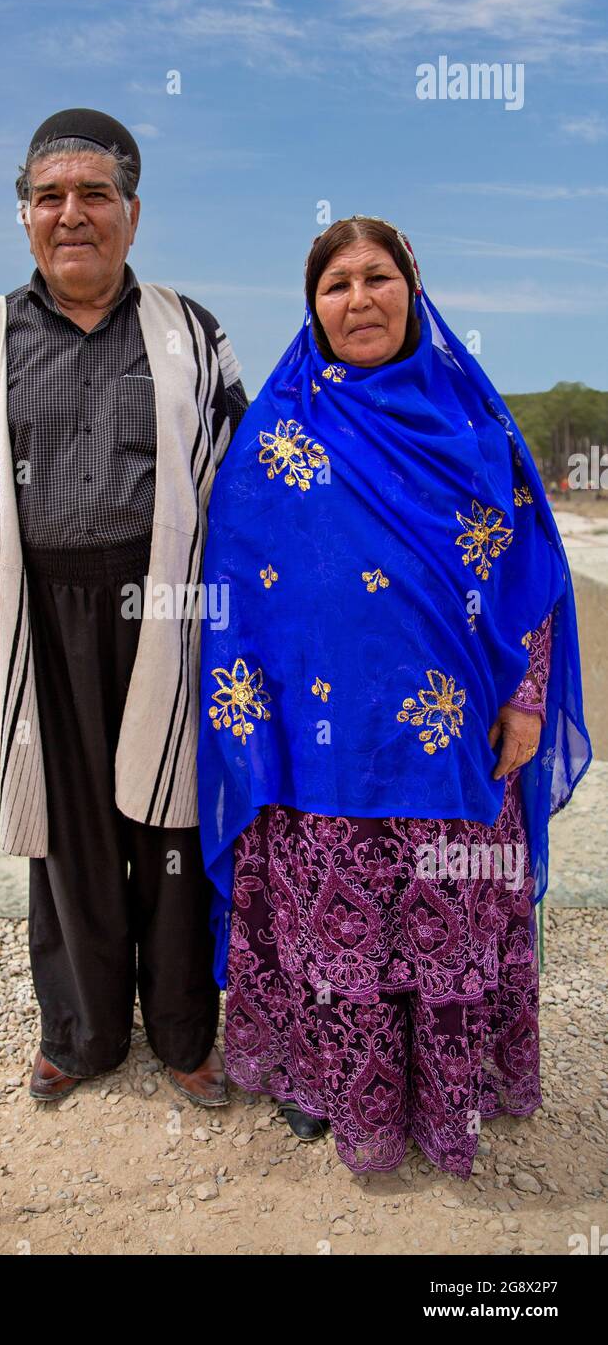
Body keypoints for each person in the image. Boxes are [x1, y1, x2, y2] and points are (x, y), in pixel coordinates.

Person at [0, 108, 250, 1107]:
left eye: (92, 194)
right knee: (67, 830)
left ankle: (180, 1034)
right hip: (39, 612)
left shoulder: (189, 329)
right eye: (48, 196)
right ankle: (80, 1037)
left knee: (169, 824)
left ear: (131, 211)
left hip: (167, 608)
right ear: (24, 214)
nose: (69, 213)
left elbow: (243, 483)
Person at [198, 216, 591, 1176]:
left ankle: (447, 1103)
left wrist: (530, 698)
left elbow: (530, 575)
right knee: (334, 932)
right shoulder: (276, 431)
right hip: (315, 752)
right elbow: (241, 587)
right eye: (336, 284)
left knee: (446, 922)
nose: (359, 299)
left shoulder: (475, 428)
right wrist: (252, 726)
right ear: (313, 303)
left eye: (378, 278)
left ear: (414, 290)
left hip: (452, 744)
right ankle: (336, 1094)